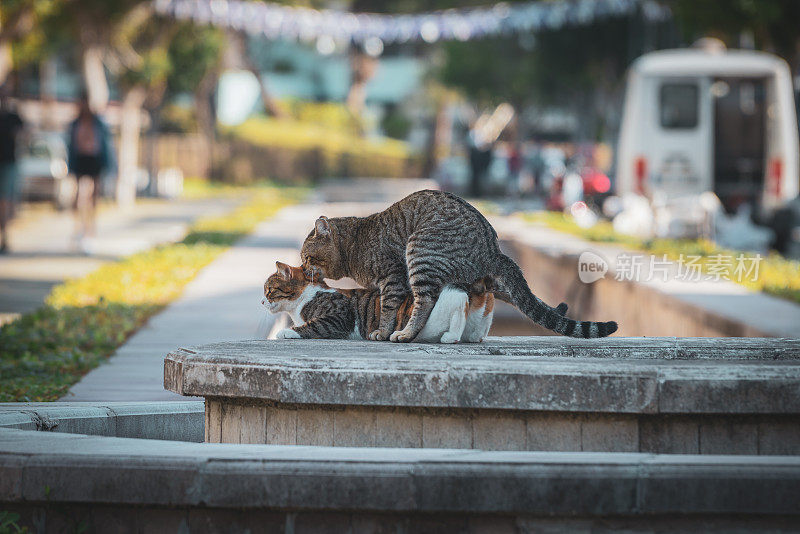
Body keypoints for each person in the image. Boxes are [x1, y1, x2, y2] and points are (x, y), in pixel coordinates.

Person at [67, 94, 114, 251]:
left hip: (94, 160)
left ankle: (91, 230)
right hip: (80, 160)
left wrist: (108, 164)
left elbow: (105, 144)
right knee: (79, 195)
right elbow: (71, 145)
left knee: (93, 196)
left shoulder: (98, 123)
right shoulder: (75, 123)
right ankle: (79, 228)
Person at [0, 87, 24, 253]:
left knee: (6, 200)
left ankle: (5, 235)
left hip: (9, 163)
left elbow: (24, 133)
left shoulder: (13, 116)